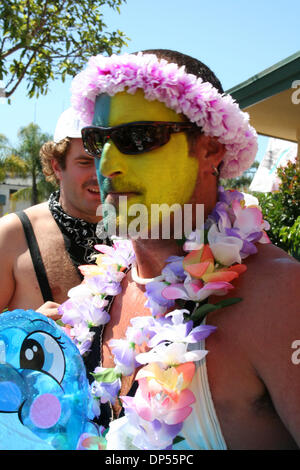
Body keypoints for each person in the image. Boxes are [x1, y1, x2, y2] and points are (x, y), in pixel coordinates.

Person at [62, 49, 300, 450]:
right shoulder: (98, 294)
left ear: (210, 150)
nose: (106, 166)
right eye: (96, 140)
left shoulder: (280, 297)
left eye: (137, 138)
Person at [0, 107, 103, 319]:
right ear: (57, 166)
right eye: (84, 162)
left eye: (105, 161)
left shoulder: (138, 233)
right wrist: (28, 329)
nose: (98, 174)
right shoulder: (12, 235)